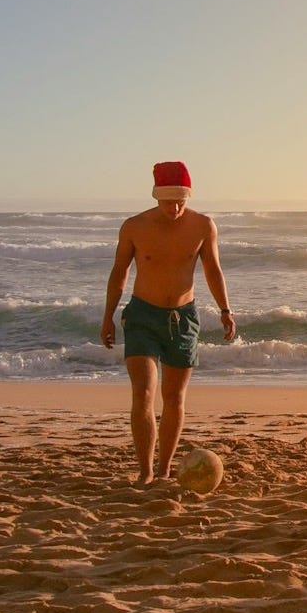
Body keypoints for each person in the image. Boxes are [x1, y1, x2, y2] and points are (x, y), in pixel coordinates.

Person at [101, 162, 237, 484]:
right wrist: (108, 315)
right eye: (168, 201)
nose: (175, 208)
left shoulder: (203, 226)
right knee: (144, 393)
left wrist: (225, 309)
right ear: (155, 196)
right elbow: (119, 273)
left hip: (183, 317)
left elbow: (213, 270)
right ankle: (146, 472)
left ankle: (164, 471)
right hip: (142, 316)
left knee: (174, 398)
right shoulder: (134, 226)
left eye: (181, 200)